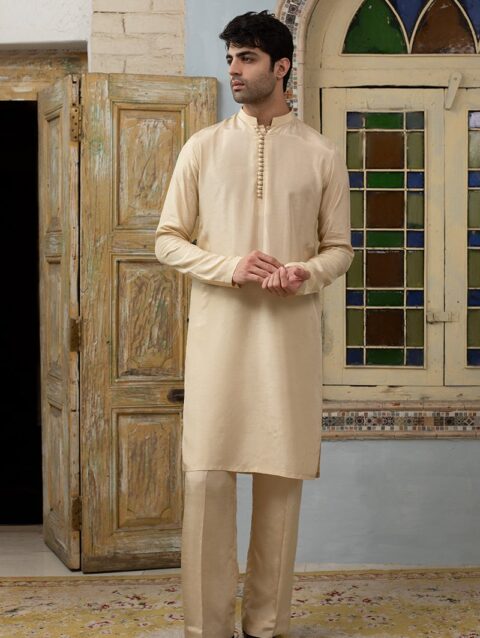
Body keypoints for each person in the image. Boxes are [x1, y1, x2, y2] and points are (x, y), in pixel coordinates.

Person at [154, 10, 353, 638]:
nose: (234, 71)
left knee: (280, 485)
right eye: (230, 59)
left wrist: (305, 273)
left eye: (247, 59)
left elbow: (340, 249)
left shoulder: (321, 154)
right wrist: (230, 266)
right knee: (207, 481)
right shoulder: (203, 148)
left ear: (281, 66)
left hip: (287, 345)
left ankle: (265, 626)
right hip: (218, 343)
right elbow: (167, 240)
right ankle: (206, 628)